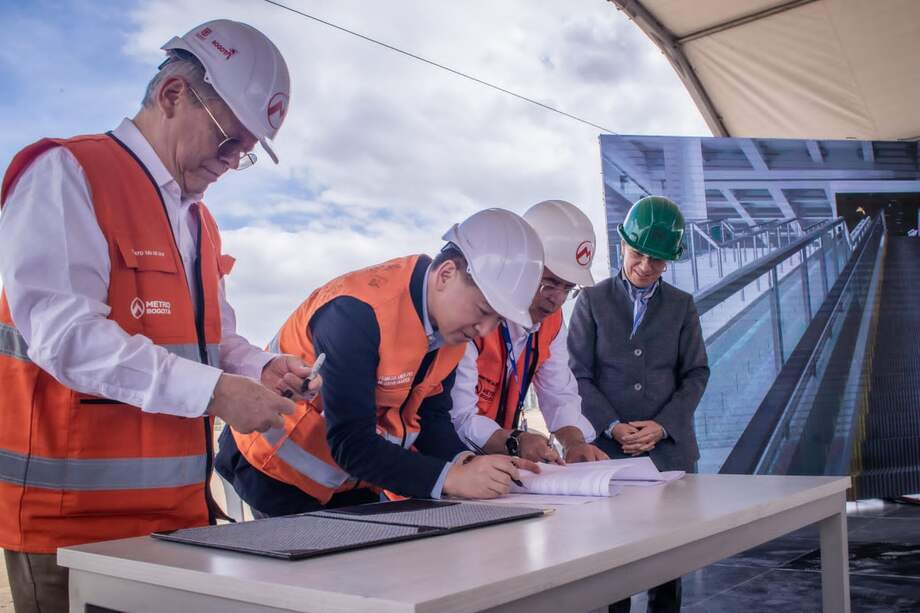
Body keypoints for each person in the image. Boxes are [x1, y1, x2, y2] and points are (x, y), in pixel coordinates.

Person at [0, 19, 317, 613]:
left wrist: (261, 365)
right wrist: (217, 391)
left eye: (245, 153)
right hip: (70, 530)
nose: (230, 161)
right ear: (173, 94)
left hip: (175, 521)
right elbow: (66, 338)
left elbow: (211, 338)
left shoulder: (198, 219)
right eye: (228, 138)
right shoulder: (68, 173)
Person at [216, 209, 546, 516]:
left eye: (497, 321)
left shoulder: (449, 331)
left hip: (352, 479)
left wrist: (468, 463)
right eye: (483, 311)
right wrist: (451, 479)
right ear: (446, 274)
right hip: (272, 471)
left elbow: (431, 417)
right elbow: (351, 442)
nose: (484, 330)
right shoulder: (357, 312)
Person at [568, 195, 710, 613]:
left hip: (669, 453)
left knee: (668, 567)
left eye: (659, 260)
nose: (646, 266)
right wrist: (611, 425)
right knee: (613, 567)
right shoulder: (591, 301)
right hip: (606, 452)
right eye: (639, 254)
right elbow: (576, 374)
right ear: (622, 245)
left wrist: (663, 426)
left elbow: (696, 374)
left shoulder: (683, 306)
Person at [450, 200, 608, 463]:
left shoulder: (552, 320)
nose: (556, 299)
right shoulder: (473, 313)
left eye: (568, 288)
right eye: (550, 283)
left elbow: (558, 390)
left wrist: (574, 443)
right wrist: (517, 441)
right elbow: (459, 416)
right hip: (443, 466)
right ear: (520, 266)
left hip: (496, 463)